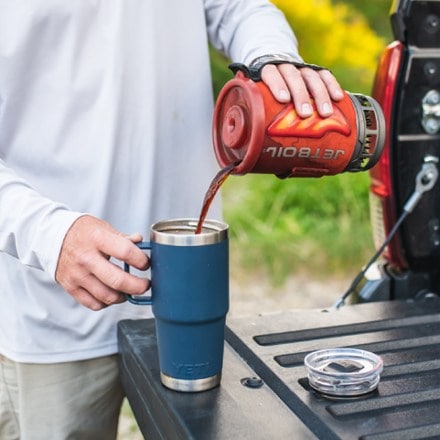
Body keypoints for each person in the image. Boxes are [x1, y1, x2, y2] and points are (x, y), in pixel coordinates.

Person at [0, 1, 344, 439]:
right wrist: (49, 236)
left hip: (191, 297)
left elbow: (238, 8)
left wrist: (271, 57)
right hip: (52, 307)